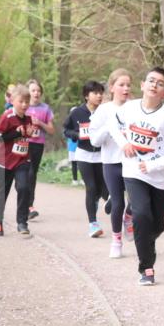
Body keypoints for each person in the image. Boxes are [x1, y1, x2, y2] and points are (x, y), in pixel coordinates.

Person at [109, 66, 164, 285]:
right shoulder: (129, 108)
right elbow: (113, 126)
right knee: (142, 215)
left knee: (157, 226)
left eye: (160, 83)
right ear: (143, 85)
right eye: (151, 81)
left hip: (161, 178)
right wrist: (124, 143)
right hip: (134, 172)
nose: (154, 85)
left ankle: (141, 233)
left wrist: (155, 165)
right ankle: (146, 268)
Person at [90, 68, 134, 258]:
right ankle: (116, 241)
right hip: (112, 163)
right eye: (121, 85)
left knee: (137, 203)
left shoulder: (135, 108)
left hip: (133, 163)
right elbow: (94, 141)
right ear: (112, 87)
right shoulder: (104, 110)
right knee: (118, 203)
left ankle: (130, 218)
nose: (125, 88)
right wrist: (110, 129)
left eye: (128, 85)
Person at [64, 81, 111, 238]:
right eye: (95, 93)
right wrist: (76, 135)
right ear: (86, 96)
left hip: (102, 155)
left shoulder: (105, 112)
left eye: (100, 93)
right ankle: (93, 224)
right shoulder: (77, 112)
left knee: (104, 189)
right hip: (83, 154)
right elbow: (66, 129)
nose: (99, 95)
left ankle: (113, 204)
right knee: (91, 188)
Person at [0, 84, 34, 237]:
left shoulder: (29, 119)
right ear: (12, 101)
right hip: (4, 162)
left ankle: (22, 223)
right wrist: (14, 134)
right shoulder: (7, 117)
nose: (24, 105)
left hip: (21, 160)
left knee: (23, 188)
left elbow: (24, 138)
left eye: (27, 102)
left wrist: (28, 134)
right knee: (3, 192)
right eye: (21, 101)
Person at [24, 78, 55, 219]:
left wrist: (40, 123)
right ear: (27, 92)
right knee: (26, 173)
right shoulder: (22, 107)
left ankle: (29, 205)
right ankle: (26, 205)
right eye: (33, 90)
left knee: (32, 174)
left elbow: (51, 130)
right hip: (23, 143)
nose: (36, 93)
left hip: (38, 144)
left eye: (38, 91)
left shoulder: (45, 108)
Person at [65, 104, 81, 186]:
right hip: (72, 147)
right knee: (74, 163)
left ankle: (82, 179)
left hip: (81, 147)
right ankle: (75, 180)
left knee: (82, 164)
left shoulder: (81, 123)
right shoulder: (69, 124)